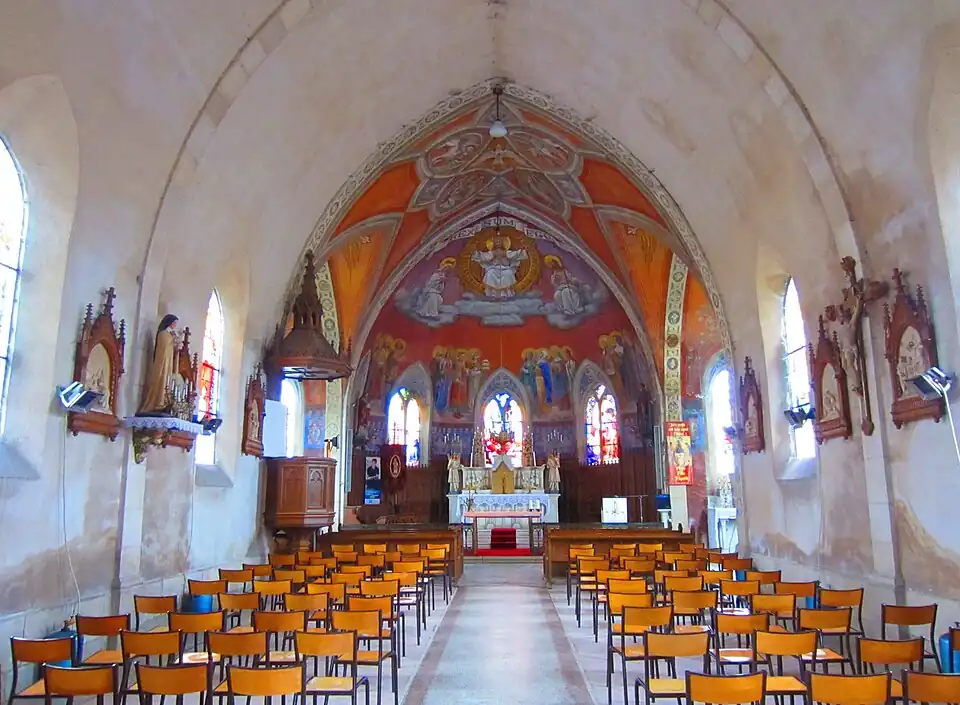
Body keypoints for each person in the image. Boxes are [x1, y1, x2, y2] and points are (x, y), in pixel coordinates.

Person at [137, 314, 180, 416]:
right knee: (162, 379)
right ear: (169, 323)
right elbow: (163, 346)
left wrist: (175, 342)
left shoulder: (169, 334)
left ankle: (165, 401)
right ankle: (158, 402)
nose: (175, 325)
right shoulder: (163, 334)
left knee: (168, 381)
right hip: (162, 363)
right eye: (174, 323)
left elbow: (173, 347)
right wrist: (172, 338)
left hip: (168, 362)